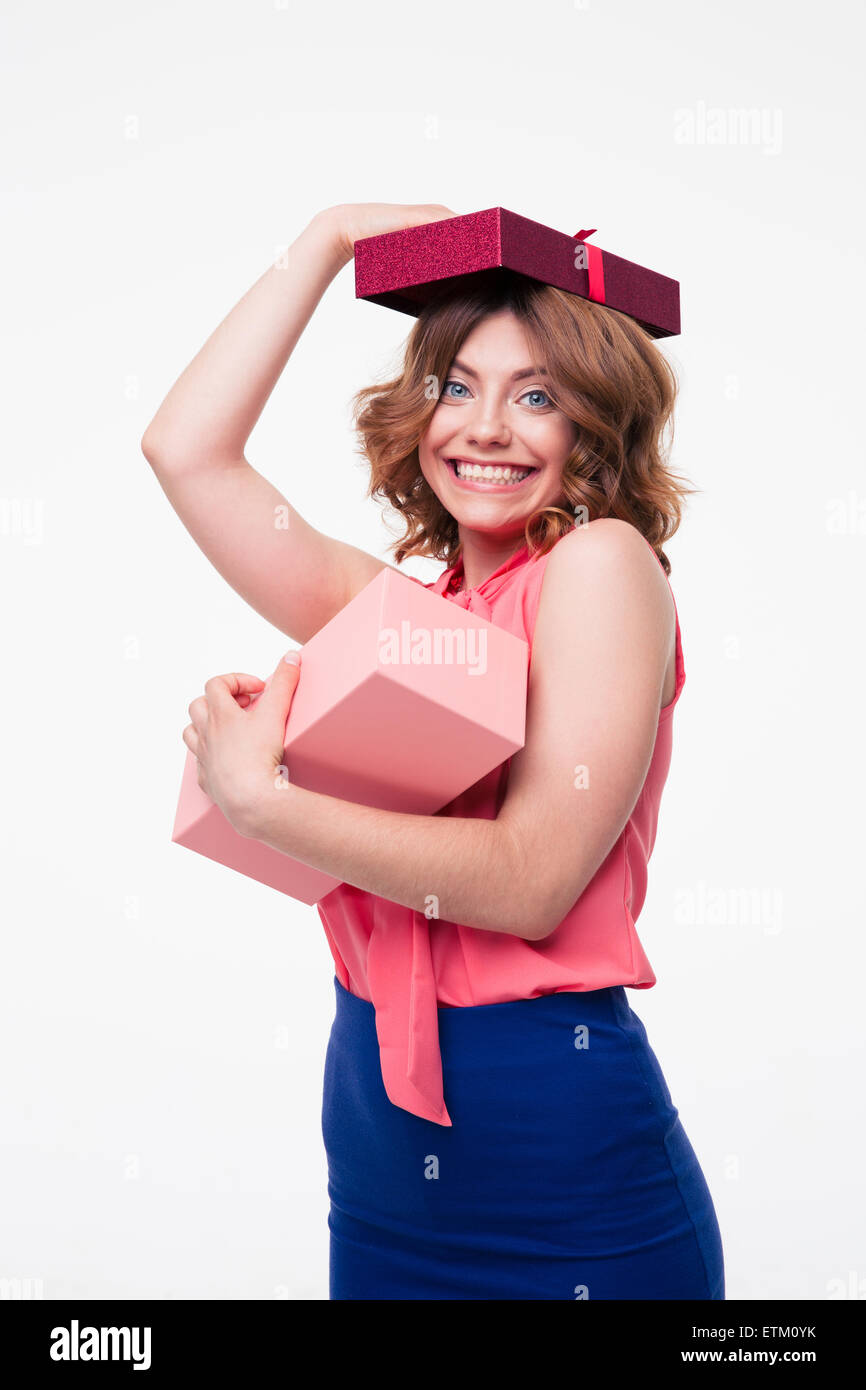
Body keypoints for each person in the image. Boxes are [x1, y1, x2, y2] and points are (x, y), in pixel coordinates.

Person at [142, 202, 725, 1301]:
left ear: (593, 426)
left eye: (536, 395)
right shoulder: (414, 614)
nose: (486, 427)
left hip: (557, 1164)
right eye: (457, 384)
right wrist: (323, 242)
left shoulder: (600, 566)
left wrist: (262, 799)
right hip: (375, 1150)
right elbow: (186, 452)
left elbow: (532, 882)